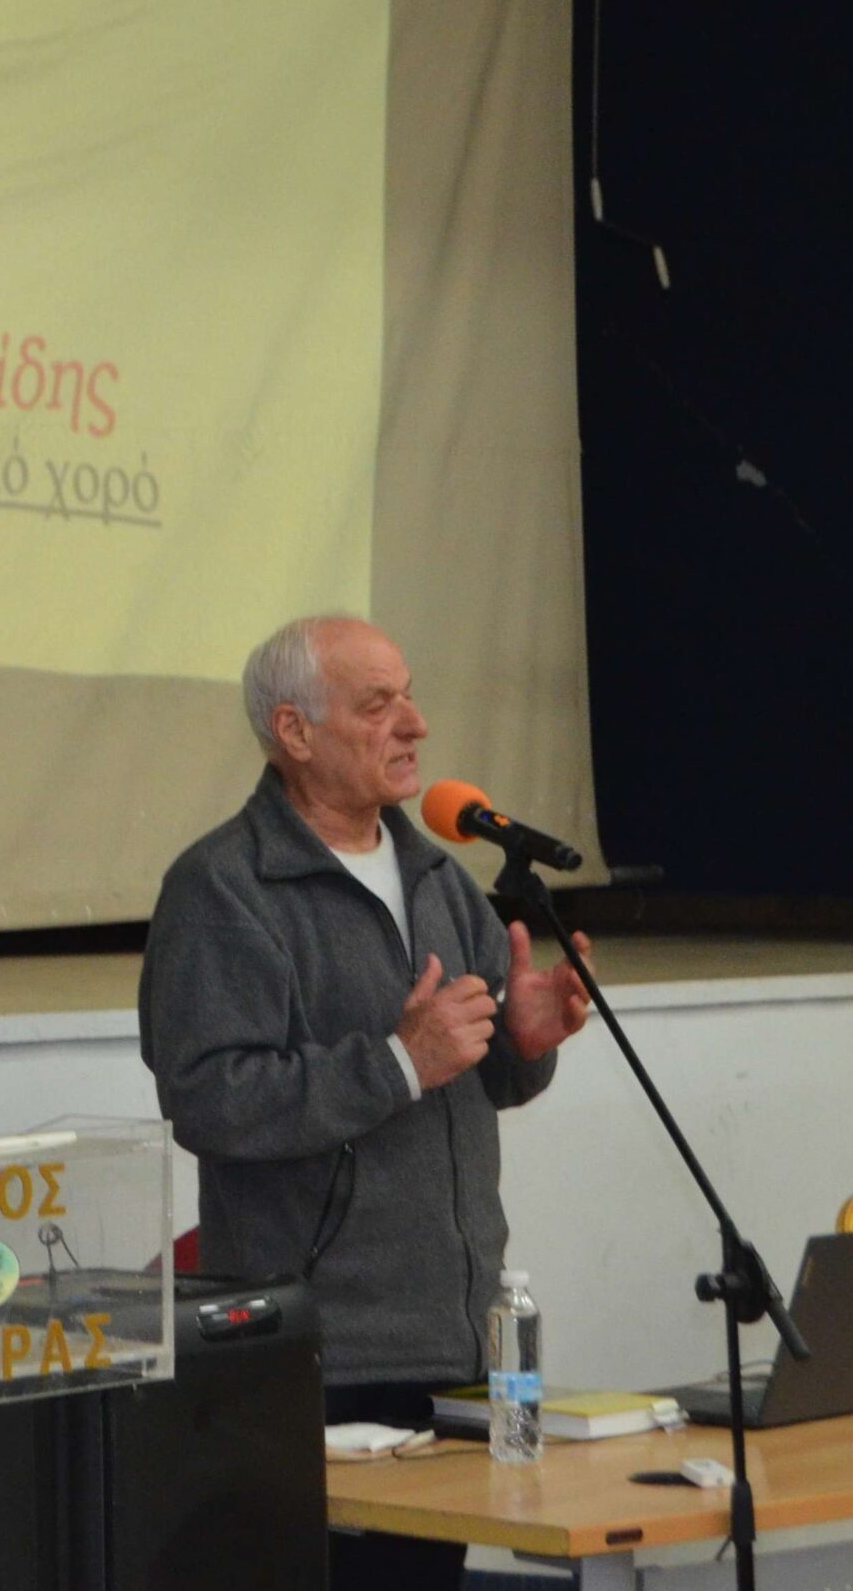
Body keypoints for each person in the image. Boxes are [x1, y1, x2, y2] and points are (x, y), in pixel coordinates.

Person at [139, 615, 594, 1591]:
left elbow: (473, 1077)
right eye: (378, 704)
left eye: (410, 696)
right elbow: (209, 1097)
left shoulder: (439, 877)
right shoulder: (225, 886)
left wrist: (520, 1046)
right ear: (294, 731)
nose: (415, 724)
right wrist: (395, 1060)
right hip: (316, 1358)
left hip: (453, 1340)